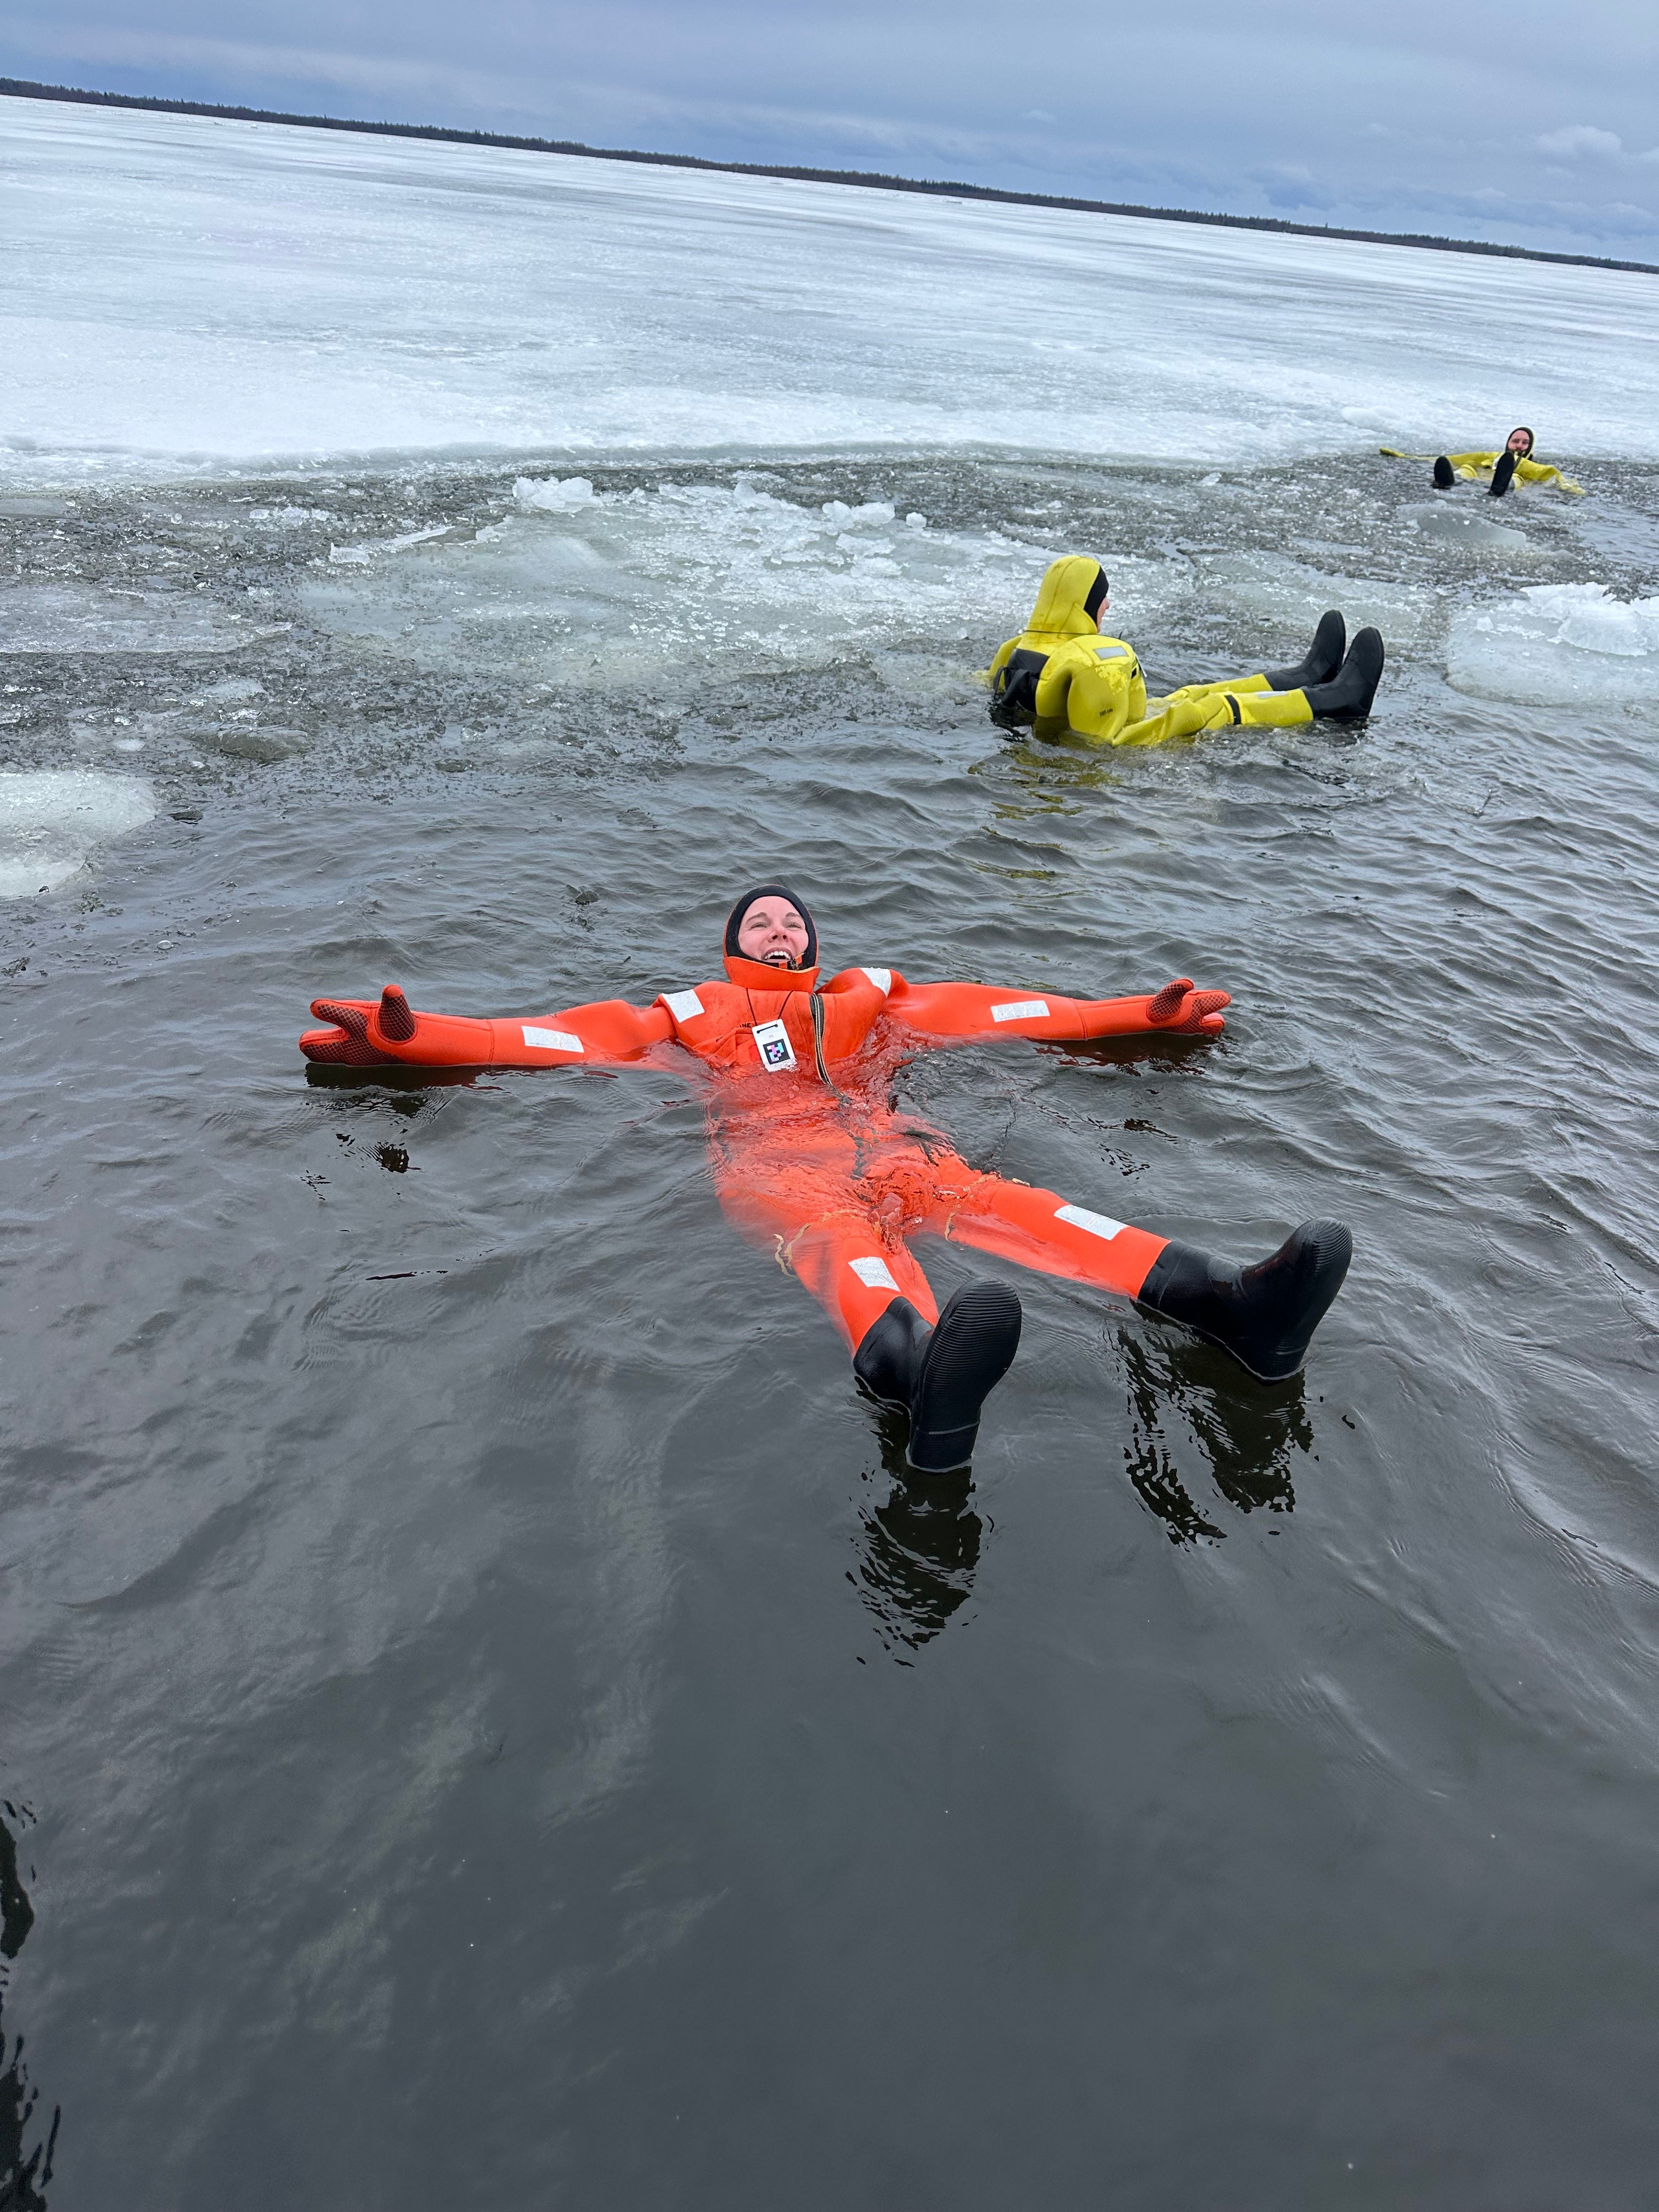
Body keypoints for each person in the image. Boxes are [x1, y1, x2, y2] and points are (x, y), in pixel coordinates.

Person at [300, 885, 1353, 1474]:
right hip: (775, 1167)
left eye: (791, 920)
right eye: (758, 922)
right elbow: (553, 1038)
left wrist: (1132, 1015)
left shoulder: (866, 999)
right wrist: (420, 1041)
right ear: (730, 945)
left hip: (905, 1154)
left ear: (813, 939)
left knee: (1030, 1207)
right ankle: (917, 1374)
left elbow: (1008, 1010)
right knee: (851, 1253)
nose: (779, 929)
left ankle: (1231, 1305)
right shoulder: (689, 1013)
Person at [986, 557, 1384, 744]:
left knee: (1190, 692)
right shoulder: (1098, 659)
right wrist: (1190, 720)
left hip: (1095, 725)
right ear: (1085, 605)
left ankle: (1308, 676)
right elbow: (1106, 745)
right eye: (1102, 598)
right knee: (1211, 706)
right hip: (1140, 743)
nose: (1107, 605)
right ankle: (1339, 700)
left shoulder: (1015, 650)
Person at [1380, 428, 1583, 498]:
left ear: (1531, 447)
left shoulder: (1534, 467)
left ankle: (1502, 487)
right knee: (1468, 468)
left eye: (1525, 443)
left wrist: (1573, 489)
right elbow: (1456, 458)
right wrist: (1404, 457)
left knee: (1516, 477)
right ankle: (1450, 481)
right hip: (1478, 478)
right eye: (1515, 441)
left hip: (1508, 480)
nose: (1519, 446)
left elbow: (1555, 476)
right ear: (1508, 442)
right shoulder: (1490, 456)